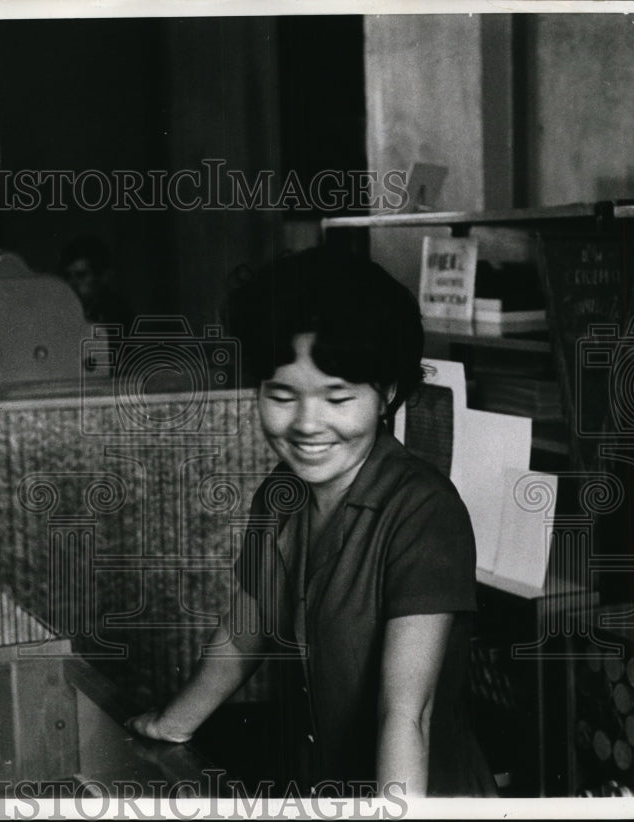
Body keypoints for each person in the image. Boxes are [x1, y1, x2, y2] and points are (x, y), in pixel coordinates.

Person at [126, 248, 494, 797]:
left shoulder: (424, 512)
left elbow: (406, 714)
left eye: (338, 397)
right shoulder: (278, 495)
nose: (305, 424)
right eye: (280, 394)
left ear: (387, 394)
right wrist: (172, 723)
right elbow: (246, 631)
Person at [57, 235, 134, 330]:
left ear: (103, 277)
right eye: (67, 276)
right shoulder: (59, 309)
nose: (71, 282)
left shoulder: (119, 315)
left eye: (81, 275)